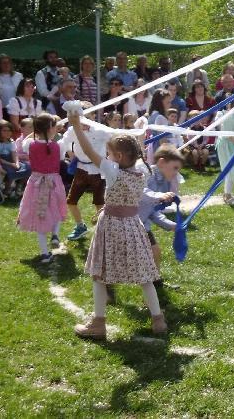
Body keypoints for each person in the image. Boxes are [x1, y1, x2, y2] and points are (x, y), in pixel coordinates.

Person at [67, 110, 167, 340]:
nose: (106, 156)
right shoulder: (141, 170)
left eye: (109, 153)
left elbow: (90, 153)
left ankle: (98, 324)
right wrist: (140, 129)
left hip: (111, 226)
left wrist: (75, 126)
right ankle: (158, 319)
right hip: (133, 226)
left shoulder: (112, 171)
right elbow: (135, 147)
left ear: (119, 157)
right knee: (144, 275)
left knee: (99, 274)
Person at [15, 114, 66, 262]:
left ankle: (45, 254)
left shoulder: (30, 144)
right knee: (56, 208)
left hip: (36, 183)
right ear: (51, 128)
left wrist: (37, 131)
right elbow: (61, 157)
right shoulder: (58, 145)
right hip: (54, 182)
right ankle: (55, 234)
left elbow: (25, 141)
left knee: (40, 215)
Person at [62, 102, 111, 242]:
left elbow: (114, 141)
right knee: (71, 200)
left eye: (87, 116)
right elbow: (64, 142)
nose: (83, 121)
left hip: (99, 170)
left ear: (93, 116)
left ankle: (104, 230)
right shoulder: (72, 130)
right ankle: (80, 226)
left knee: (99, 202)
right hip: (81, 169)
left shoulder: (100, 130)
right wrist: (70, 153)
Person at [138, 144, 184, 288]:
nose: (176, 173)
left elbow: (152, 210)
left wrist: (169, 225)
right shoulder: (146, 175)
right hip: (128, 222)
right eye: (175, 168)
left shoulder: (162, 181)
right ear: (162, 163)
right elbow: (141, 192)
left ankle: (155, 283)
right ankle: (105, 285)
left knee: (155, 251)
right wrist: (159, 196)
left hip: (142, 224)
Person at [0, 119, 32, 198]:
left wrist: (17, 163)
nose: (8, 133)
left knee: (27, 168)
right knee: (10, 171)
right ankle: (7, 189)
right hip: (3, 162)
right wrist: (11, 164)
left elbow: (14, 154)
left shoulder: (11, 141)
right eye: (4, 131)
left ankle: (19, 186)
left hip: (11, 160)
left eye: (9, 130)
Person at [0, 54, 23, 119]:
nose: (6, 65)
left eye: (8, 62)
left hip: (17, 108)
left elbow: (23, 91)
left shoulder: (18, 75)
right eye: (3, 63)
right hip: (2, 108)